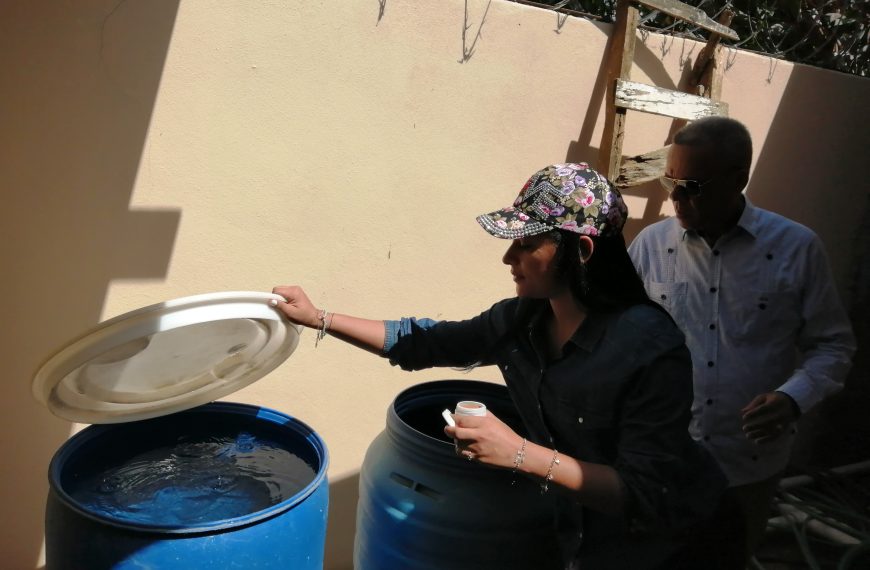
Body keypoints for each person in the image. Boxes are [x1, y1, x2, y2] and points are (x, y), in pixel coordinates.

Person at [273, 162, 725, 569]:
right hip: (578, 538)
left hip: (669, 547)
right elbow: (424, 341)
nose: (509, 259)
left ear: (582, 251)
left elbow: (647, 493)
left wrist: (519, 454)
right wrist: (318, 318)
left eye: (526, 244)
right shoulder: (524, 321)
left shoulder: (649, 349)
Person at [628, 116, 856, 566]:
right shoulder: (652, 245)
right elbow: (624, 339)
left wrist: (793, 399)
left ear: (738, 179)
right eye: (670, 180)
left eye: (691, 185)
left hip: (747, 465)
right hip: (663, 458)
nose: (675, 198)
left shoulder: (795, 248)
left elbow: (833, 345)